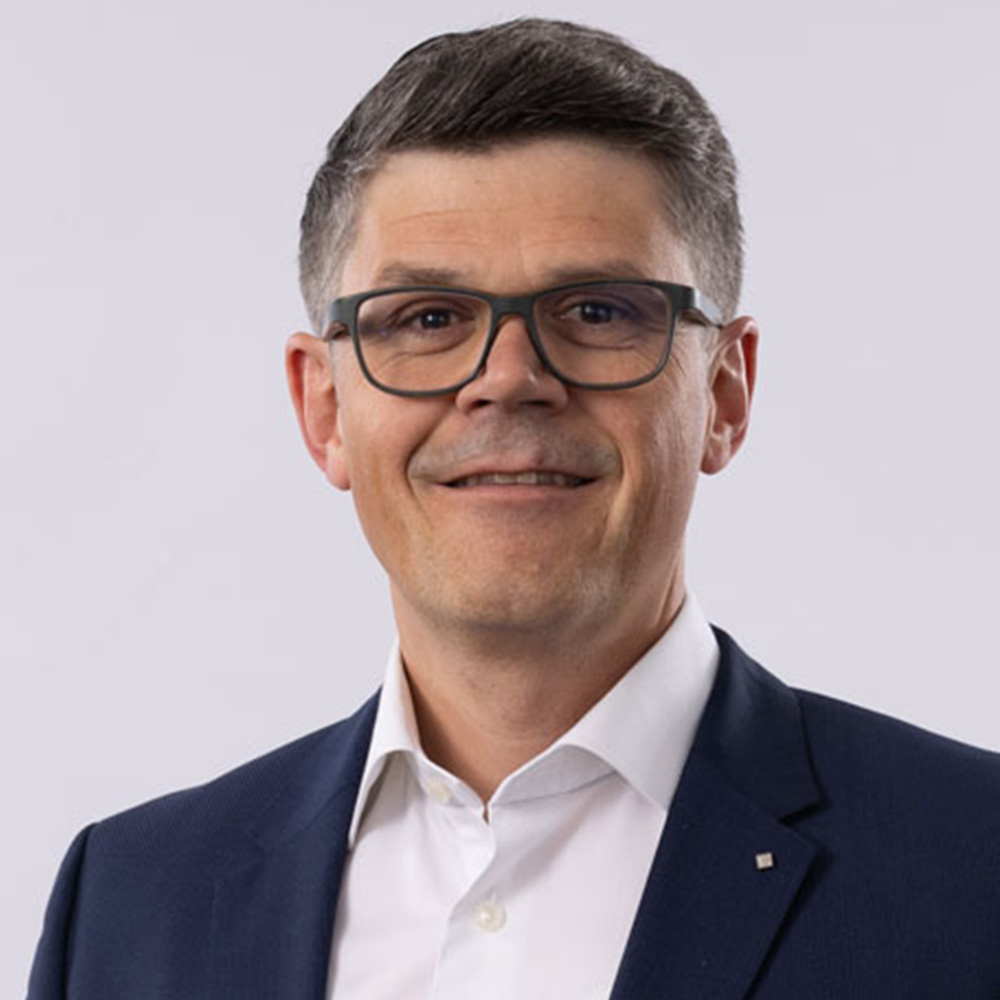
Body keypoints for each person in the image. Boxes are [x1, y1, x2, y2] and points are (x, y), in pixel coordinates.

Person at [27, 18, 1000, 1000]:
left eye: (598, 311)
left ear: (724, 392)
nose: (507, 379)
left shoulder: (975, 867)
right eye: (427, 318)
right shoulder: (126, 905)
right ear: (322, 408)